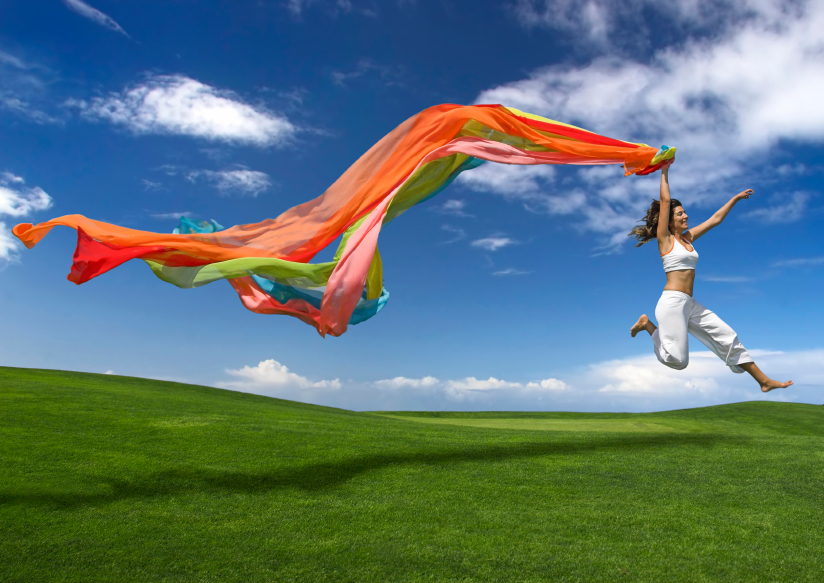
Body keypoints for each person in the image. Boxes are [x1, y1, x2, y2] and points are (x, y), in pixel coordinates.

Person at [628, 161, 792, 393]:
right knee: (678, 361)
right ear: (669, 220)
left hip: (690, 303)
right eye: (679, 213)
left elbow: (715, 219)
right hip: (672, 303)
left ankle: (763, 381)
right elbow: (665, 201)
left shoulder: (688, 239)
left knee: (726, 335)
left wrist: (734, 199)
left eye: (684, 211)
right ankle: (647, 326)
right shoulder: (665, 240)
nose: (685, 215)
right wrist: (664, 170)